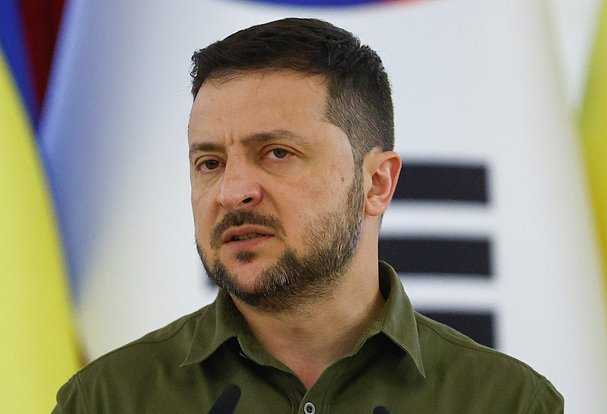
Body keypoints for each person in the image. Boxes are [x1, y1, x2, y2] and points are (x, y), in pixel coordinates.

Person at [52, 18, 563, 413]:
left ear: (377, 183)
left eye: (277, 153)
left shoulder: (505, 402)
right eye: (210, 162)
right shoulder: (109, 400)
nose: (232, 191)